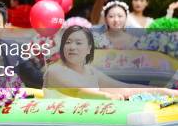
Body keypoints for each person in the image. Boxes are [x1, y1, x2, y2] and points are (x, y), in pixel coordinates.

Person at [44, 25, 177, 100]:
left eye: (78, 43)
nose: (72, 47)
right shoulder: (55, 71)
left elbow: (124, 88)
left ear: (89, 48)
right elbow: (80, 91)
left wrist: (163, 91)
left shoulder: (90, 71)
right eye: (68, 42)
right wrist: (109, 97)